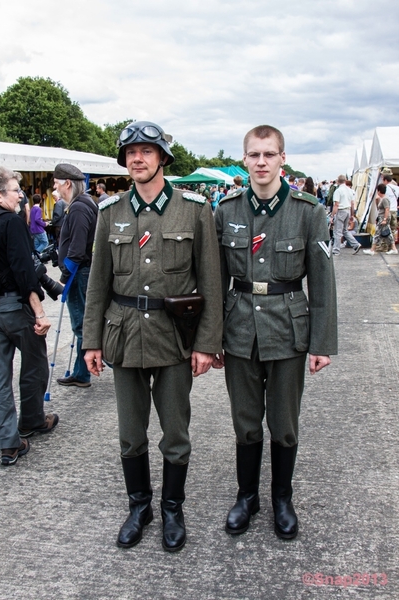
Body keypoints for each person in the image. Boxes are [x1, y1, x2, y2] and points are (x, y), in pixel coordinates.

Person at [82, 121, 223, 552]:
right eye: (130, 152)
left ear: (162, 157)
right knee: (130, 432)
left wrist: (205, 343)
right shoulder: (110, 212)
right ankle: (139, 505)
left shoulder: (193, 209)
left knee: (176, 431)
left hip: (174, 337)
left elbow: (211, 282)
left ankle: (172, 508)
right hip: (123, 335)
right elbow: (97, 284)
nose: (137, 159)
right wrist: (91, 340)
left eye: (146, 151)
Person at [213, 124, 337, 540]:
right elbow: (213, 280)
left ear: (283, 158)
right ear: (244, 159)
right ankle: (247, 496)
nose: (261, 162)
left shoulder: (308, 211)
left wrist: (322, 342)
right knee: (245, 422)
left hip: (288, 328)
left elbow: (322, 281)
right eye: (254, 155)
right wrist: (209, 338)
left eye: (270, 154)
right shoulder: (227, 209)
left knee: (284, 423)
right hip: (239, 326)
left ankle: (282, 497)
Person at [0, 167, 58, 466]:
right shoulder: (10, 222)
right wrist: (39, 312)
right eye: (13, 190)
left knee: (0, 379)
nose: (20, 194)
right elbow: (24, 272)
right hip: (14, 307)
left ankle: (9, 443)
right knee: (35, 363)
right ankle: (32, 419)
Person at [54, 164, 98, 388]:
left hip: (78, 272)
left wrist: (64, 274)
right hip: (80, 271)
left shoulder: (79, 207)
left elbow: (78, 248)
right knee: (82, 323)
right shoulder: (82, 204)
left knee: (81, 324)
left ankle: (91, 370)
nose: (55, 187)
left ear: (67, 183)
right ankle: (83, 373)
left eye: (56, 182)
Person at [363, 184, 398, 255]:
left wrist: (384, 219)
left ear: (379, 191)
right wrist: (377, 200)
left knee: (377, 233)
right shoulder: (383, 199)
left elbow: (387, 209)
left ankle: (372, 249)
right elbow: (379, 209)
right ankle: (394, 248)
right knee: (388, 233)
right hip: (382, 217)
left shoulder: (385, 199)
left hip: (383, 218)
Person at [330, 175, 361, 255]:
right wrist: (352, 214)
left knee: (337, 231)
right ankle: (356, 244)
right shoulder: (350, 190)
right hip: (348, 210)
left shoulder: (338, 191)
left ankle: (336, 249)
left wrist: (332, 216)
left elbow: (336, 204)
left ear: (337, 181)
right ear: (345, 180)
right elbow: (352, 203)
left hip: (341, 210)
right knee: (345, 230)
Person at [381, 169, 399, 243]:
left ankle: (387, 245)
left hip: (387, 209)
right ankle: (393, 245)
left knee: (385, 228)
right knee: (393, 228)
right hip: (394, 209)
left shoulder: (385, 186)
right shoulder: (396, 185)